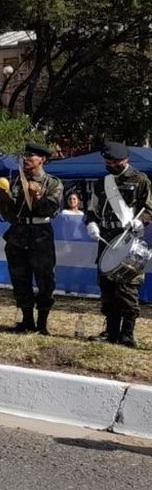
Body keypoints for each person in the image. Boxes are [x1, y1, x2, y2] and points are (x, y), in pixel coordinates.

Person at [84, 142, 152, 346]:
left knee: (128, 286)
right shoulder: (101, 183)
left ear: (125, 160)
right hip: (106, 236)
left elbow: (149, 208)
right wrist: (91, 224)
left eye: (114, 162)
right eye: (107, 162)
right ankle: (111, 331)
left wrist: (141, 221)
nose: (110, 165)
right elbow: (92, 210)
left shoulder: (140, 180)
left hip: (127, 236)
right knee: (107, 286)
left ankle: (127, 333)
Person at [0, 142, 62, 334]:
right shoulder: (17, 182)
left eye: (30, 157)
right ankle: (27, 320)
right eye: (24, 156)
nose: (26, 160)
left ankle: (42, 323)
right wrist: (1, 197)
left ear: (42, 159)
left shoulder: (52, 183)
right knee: (20, 279)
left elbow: (53, 208)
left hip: (40, 234)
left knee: (45, 280)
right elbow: (9, 213)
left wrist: (38, 197)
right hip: (18, 234)